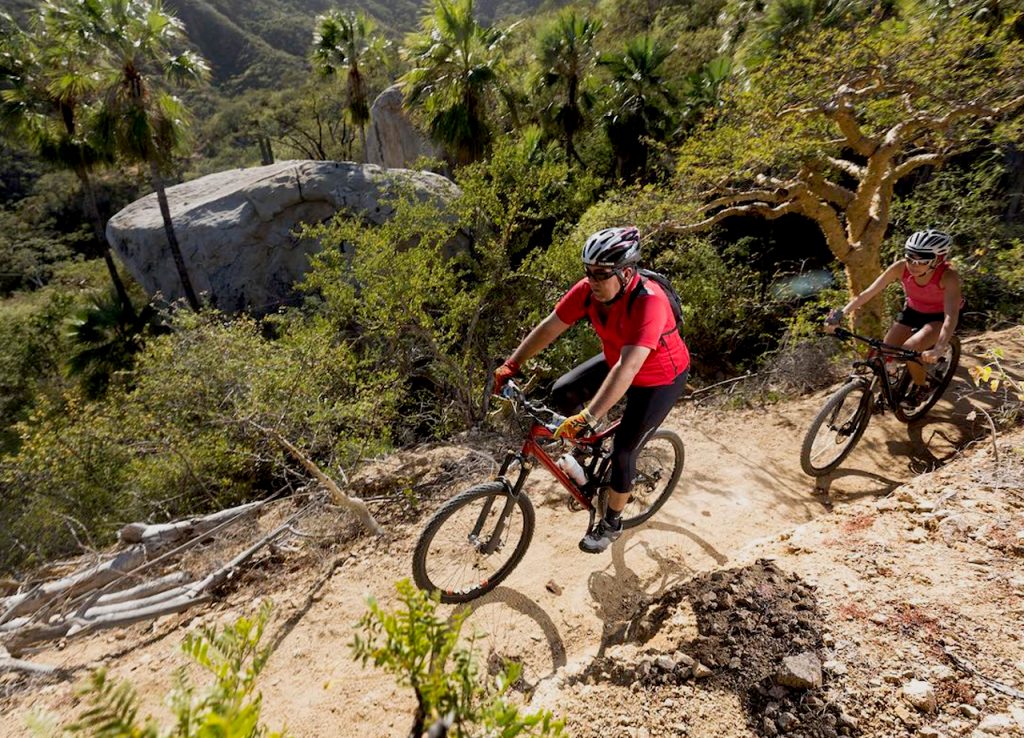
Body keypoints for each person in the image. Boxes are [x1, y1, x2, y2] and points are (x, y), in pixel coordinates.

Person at [492, 226, 690, 553]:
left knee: (625, 450)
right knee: (562, 391)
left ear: (626, 273)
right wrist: (512, 364)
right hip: (618, 359)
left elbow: (629, 369)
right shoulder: (589, 291)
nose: (592, 280)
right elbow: (551, 326)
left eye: (601, 273)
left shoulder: (649, 303)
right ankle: (585, 455)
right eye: (588, 272)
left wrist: (589, 416)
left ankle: (611, 521)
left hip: (660, 378)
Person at [825, 228, 963, 405]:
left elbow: (951, 316)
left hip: (939, 317)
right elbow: (869, 292)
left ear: (938, 259)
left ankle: (923, 386)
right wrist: (841, 313)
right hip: (913, 311)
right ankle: (891, 381)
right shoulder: (900, 268)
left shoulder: (948, 277)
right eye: (909, 258)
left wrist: (939, 348)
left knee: (910, 348)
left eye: (921, 261)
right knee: (883, 351)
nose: (913, 265)